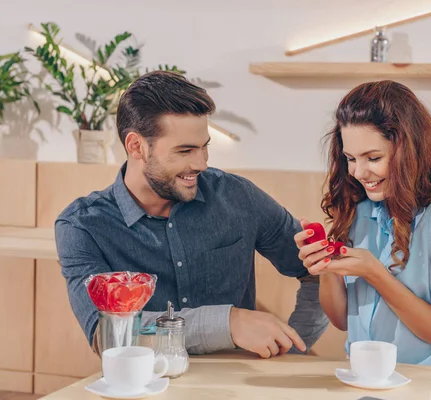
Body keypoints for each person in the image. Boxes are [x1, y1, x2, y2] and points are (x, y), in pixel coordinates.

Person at [55, 70, 328, 359]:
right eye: (185, 151)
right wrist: (227, 323)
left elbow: (318, 272)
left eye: (204, 147)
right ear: (136, 146)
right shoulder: (82, 226)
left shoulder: (237, 197)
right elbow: (107, 336)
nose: (200, 163)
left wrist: (295, 351)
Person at [294, 80, 431, 399]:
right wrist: (327, 268)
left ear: (408, 148)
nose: (358, 172)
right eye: (351, 158)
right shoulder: (358, 209)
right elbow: (342, 320)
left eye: (373, 157)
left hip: (421, 389)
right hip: (359, 386)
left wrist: (375, 273)